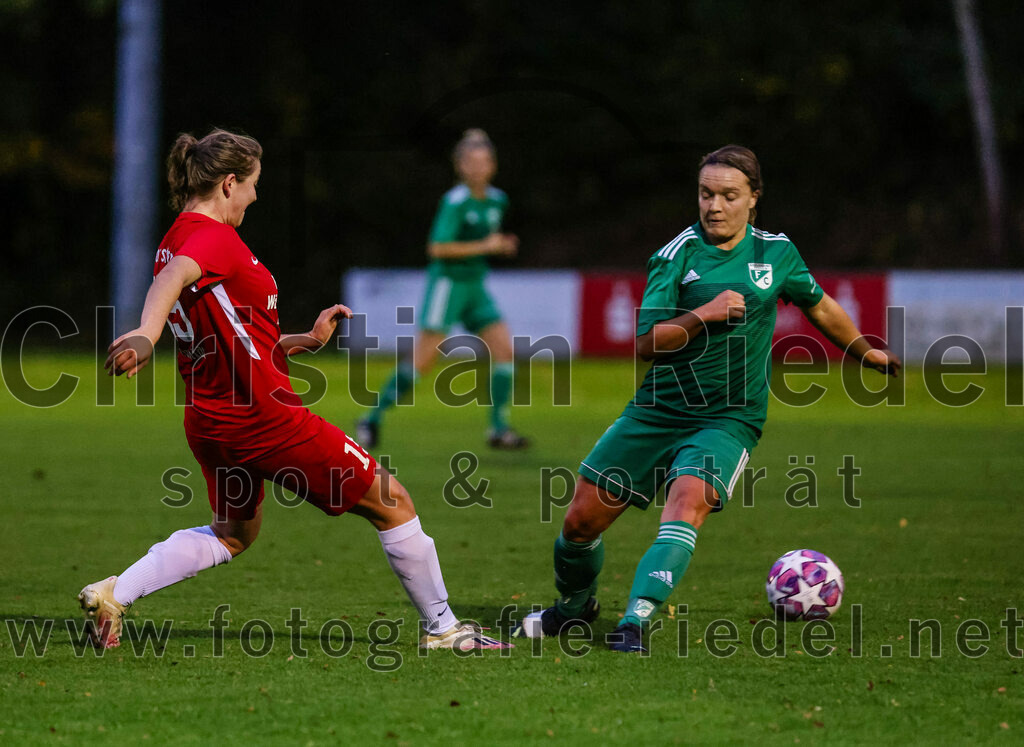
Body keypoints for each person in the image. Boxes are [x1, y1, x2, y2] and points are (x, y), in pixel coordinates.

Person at [78, 128, 510, 652]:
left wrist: (301, 340)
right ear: (229, 183)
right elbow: (170, 282)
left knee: (233, 534)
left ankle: (115, 594)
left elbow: (229, 334)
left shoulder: (175, 235)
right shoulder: (212, 238)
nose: (256, 196)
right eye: (253, 184)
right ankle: (444, 629)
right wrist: (146, 333)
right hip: (266, 419)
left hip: (213, 421)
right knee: (392, 501)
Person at [519, 145, 901, 652]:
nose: (714, 206)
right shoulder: (676, 255)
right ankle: (573, 609)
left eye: (728, 195)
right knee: (579, 523)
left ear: (754, 198)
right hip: (658, 411)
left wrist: (863, 351)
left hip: (729, 418)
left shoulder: (776, 253)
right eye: (706, 194)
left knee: (686, 505)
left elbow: (820, 304)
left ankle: (634, 621)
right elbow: (646, 342)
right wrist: (705, 314)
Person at [357, 129, 529, 450]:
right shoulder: (455, 202)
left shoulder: (497, 200)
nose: (478, 168)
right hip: (448, 285)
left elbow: (485, 242)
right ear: (460, 166)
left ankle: (498, 428)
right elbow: (437, 248)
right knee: (422, 362)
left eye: (484, 161)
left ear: (493, 165)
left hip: (475, 286)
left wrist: (501, 245)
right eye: (471, 162)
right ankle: (372, 418)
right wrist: (487, 245)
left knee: (505, 351)